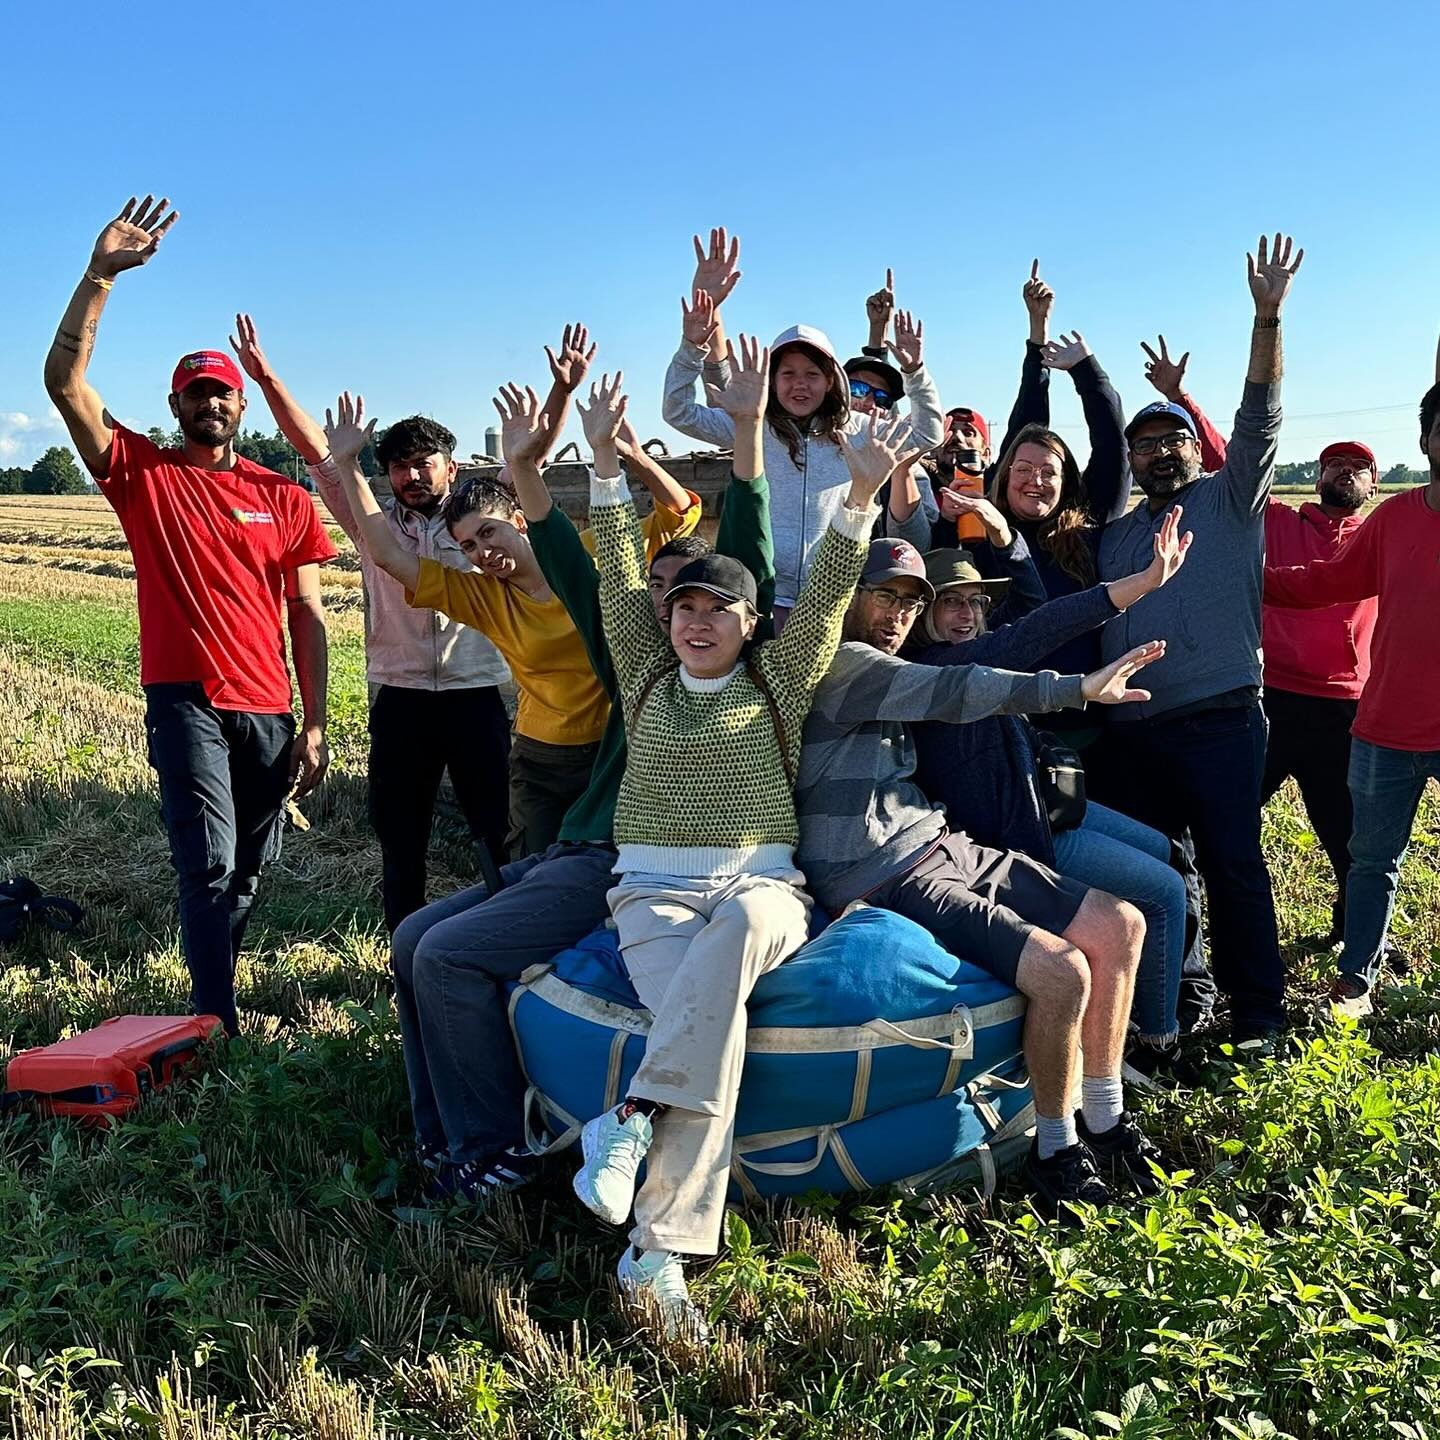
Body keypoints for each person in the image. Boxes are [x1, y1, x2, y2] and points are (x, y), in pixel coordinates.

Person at [572, 347, 920, 1335]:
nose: (692, 622)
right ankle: (658, 1256)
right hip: (649, 894)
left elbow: (827, 593)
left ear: (745, 620)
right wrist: (603, 469)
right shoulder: (644, 672)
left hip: (763, 885)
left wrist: (858, 501)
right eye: (681, 607)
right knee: (709, 1037)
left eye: (714, 609)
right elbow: (614, 579)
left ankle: (632, 1120)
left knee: (736, 943)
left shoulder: (781, 677)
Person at [377, 374, 765, 1212]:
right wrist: (538, 462)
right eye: (661, 595)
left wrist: (746, 428)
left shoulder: (741, 680)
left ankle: (493, 1154)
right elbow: (567, 555)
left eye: (698, 599)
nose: (677, 612)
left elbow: (745, 533)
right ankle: (442, 1138)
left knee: (445, 954)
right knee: (411, 935)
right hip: (574, 835)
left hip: (622, 861)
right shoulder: (631, 654)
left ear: (741, 616)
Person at [793, 535, 1168, 1214]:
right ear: (844, 597)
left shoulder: (894, 661)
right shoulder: (844, 665)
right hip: (881, 869)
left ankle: (1106, 1119)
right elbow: (957, 687)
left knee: (1122, 924)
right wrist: (1076, 689)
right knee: (1063, 971)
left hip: (940, 842)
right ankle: (1057, 1148)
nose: (898, 613)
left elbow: (1014, 634)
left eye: (911, 601)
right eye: (884, 595)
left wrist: (1130, 590)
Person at [42, 197, 336, 1036]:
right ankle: (215, 1019)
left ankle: (218, 979)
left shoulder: (283, 498)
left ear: (240, 407)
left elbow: (308, 616)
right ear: (175, 407)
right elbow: (64, 385)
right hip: (186, 698)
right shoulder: (143, 474)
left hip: (269, 706)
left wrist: (317, 723)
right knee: (205, 861)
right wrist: (99, 276)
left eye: (221, 393)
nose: (209, 403)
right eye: (194, 393)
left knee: (249, 866)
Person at [228, 320, 594, 931]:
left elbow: (530, 454)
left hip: (477, 694)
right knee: (401, 835)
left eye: (424, 463)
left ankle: (501, 932)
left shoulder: (481, 515)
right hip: (399, 697)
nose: (411, 476)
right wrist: (264, 377)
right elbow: (321, 454)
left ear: (450, 467)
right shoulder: (370, 518)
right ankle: (404, 944)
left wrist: (560, 394)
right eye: (399, 467)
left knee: (496, 829)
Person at [324, 361, 701, 860]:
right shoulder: (482, 597)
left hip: (614, 748)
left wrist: (630, 454)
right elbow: (389, 555)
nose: (482, 553)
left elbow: (679, 513)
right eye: (468, 546)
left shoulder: (584, 556)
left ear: (519, 521)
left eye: (489, 533)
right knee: (532, 869)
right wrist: (348, 464)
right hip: (540, 757)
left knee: (612, 868)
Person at [1091, 233, 1305, 1047]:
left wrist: (1267, 318)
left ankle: (1260, 1019)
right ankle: (1178, 1003)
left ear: (1194, 446)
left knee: (1233, 866)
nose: (1154, 452)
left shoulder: (1231, 502)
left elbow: (1261, 410)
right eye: (1142, 444)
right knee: (1157, 874)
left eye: (1169, 439)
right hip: (1132, 733)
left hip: (1219, 720)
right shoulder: (1114, 538)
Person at [908, 513, 1193, 1082]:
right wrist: (1135, 588)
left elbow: (1031, 608)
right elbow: (1032, 634)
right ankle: (1155, 1041)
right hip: (1016, 839)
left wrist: (1006, 540)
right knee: (1163, 893)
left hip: (1043, 808)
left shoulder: (977, 654)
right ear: (925, 615)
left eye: (975, 602)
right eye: (951, 604)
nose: (967, 615)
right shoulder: (935, 670)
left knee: (1169, 853)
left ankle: (1158, 997)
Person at [1264, 386, 1440, 1017]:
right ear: (1424, 442)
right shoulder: (1395, 521)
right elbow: (1328, 582)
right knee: (1371, 860)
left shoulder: (1383, 518)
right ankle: (1357, 980)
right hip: (1384, 726)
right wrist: (1240, 577)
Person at [661, 228, 941, 625]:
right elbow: (678, 412)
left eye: (812, 373)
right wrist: (693, 347)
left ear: (831, 381)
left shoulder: (858, 429)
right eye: (787, 372)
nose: (799, 383)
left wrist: (914, 371)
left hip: (829, 599)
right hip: (757, 597)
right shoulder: (752, 426)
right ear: (771, 380)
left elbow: (928, 434)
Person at [1260, 441, 1381, 948]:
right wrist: (1183, 400)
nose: (1347, 473)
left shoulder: (1380, 537)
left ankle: (1356, 934)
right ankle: (1220, 931)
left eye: (1359, 468)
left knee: (1349, 834)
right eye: (1336, 464)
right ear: (1318, 477)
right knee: (1225, 817)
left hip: (1345, 710)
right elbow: (1238, 463)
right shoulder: (1279, 523)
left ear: (1373, 486)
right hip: (1270, 698)